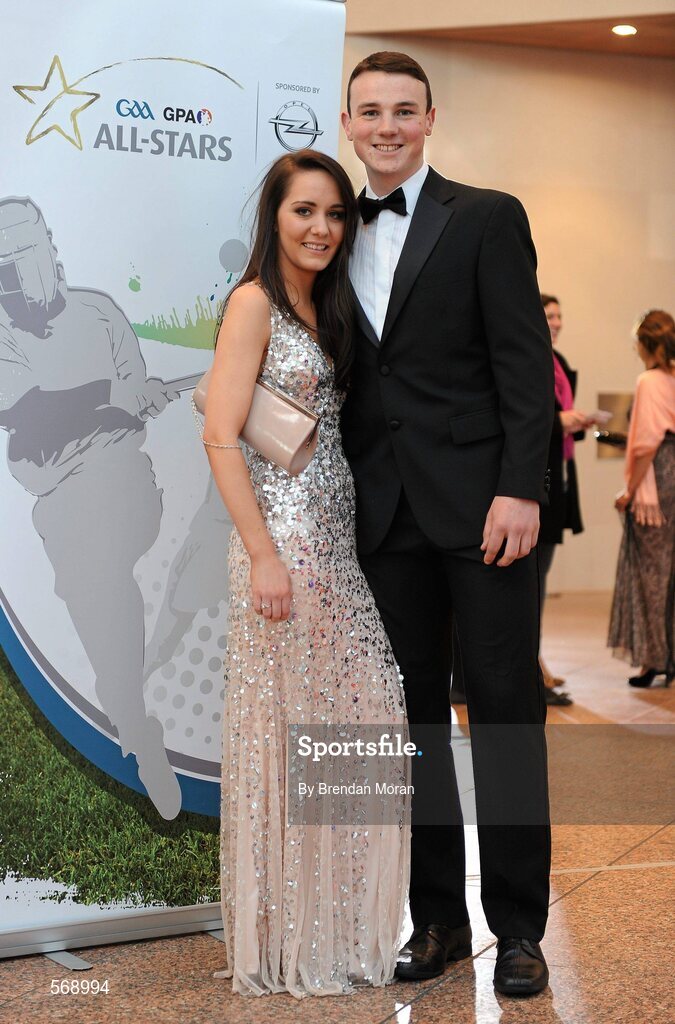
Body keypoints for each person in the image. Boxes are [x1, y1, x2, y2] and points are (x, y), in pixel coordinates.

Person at [341, 52, 554, 996]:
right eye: (368, 112)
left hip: (484, 511)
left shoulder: (486, 215)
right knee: (410, 725)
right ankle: (435, 922)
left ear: (429, 118)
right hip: (383, 516)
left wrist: (522, 487)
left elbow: (524, 365)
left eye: (402, 111)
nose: (385, 127)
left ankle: (517, 929)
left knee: (504, 711)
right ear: (347, 124)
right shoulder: (327, 226)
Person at [203, 151, 410, 997]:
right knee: (288, 726)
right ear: (274, 218)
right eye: (304, 213)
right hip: (282, 547)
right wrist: (260, 555)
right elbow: (220, 435)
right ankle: (289, 940)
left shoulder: (324, 303)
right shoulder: (253, 302)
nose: (321, 228)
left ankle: (333, 929)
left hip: (334, 543)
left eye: (334, 214)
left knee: (352, 715)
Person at [0, 196, 181, 819]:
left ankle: (130, 713)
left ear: (46, 250)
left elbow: (135, 397)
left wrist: (136, 399)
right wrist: (113, 395)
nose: (9, 282)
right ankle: (134, 721)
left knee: (96, 554)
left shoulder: (99, 312)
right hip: (58, 499)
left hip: (125, 482)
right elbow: (25, 411)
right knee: (92, 580)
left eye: (17, 261)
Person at [608, 309, 675, 687]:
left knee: (652, 571)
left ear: (647, 343)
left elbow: (648, 443)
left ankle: (653, 659)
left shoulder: (649, 380)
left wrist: (630, 490)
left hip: (658, 477)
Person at [538, 294, 593, 706]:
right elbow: (534, 416)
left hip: (561, 475)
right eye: (549, 314)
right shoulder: (534, 356)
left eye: (559, 315)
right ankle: (533, 669)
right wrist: (562, 422)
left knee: (540, 578)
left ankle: (537, 665)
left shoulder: (557, 361)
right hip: (541, 477)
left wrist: (576, 423)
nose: (556, 321)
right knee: (533, 581)